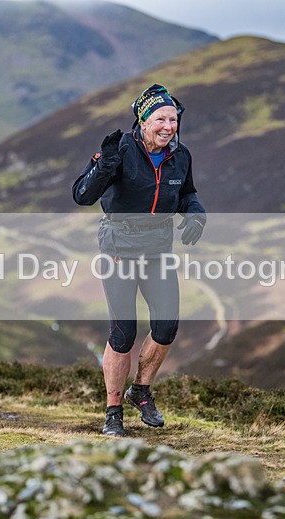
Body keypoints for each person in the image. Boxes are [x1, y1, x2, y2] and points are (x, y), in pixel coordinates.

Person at [72, 84, 206, 437]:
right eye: (160, 118)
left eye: (173, 119)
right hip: (119, 248)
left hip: (158, 249)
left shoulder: (182, 156)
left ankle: (140, 390)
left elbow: (187, 194)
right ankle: (113, 412)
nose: (168, 126)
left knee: (166, 327)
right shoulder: (119, 149)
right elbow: (83, 195)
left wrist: (196, 214)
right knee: (123, 334)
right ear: (143, 120)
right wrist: (104, 167)